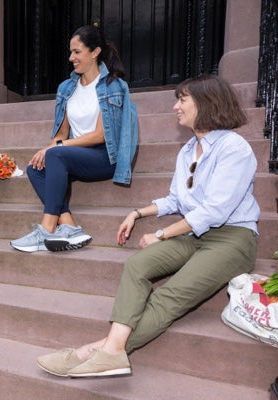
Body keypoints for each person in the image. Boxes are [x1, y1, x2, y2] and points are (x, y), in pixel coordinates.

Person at [36, 74, 260, 377]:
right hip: (194, 234)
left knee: (167, 296)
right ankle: (110, 351)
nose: (175, 107)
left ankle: (92, 351)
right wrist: (137, 213)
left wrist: (161, 233)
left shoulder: (234, 148)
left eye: (182, 100)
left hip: (232, 240)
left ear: (206, 102)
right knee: (137, 266)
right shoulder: (187, 151)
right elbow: (175, 200)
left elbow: (214, 211)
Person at [10, 24, 138, 253]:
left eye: (77, 52)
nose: (71, 57)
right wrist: (46, 150)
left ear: (95, 52)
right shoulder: (66, 88)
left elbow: (101, 135)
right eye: (71, 52)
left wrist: (57, 147)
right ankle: (68, 225)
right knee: (35, 168)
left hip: (104, 156)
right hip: (74, 154)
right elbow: (60, 134)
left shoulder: (113, 87)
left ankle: (46, 229)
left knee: (56, 152)